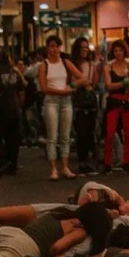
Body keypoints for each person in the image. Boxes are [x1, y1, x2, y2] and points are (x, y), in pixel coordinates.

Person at [38, 35, 86, 180]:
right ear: (47, 48)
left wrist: (71, 86)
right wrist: (61, 91)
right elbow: (43, 87)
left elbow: (83, 78)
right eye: (52, 46)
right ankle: (54, 168)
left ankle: (65, 167)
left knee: (65, 136)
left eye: (57, 46)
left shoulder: (65, 62)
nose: (55, 49)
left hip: (66, 101)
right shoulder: (44, 65)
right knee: (52, 136)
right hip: (51, 101)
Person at [0, 51, 26, 178]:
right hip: (14, 110)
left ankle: (3, 161)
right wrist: (20, 106)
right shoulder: (14, 72)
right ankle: (12, 165)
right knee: (13, 139)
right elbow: (21, 91)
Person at [103, 40, 129, 173]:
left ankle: (126, 161)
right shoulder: (109, 66)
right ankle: (107, 163)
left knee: (128, 133)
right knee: (110, 133)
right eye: (116, 51)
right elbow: (109, 85)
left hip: (127, 101)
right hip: (114, 101)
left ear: (124, 51)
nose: (118, 53)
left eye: (120, 50)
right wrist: (124, 83)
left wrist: (126, 83)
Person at [70, 37, 100, 175]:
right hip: (78, 100)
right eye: (82, 47)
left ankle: (88, 161)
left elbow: (95, 82)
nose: (84, 50)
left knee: (89, 131)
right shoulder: (72, 64)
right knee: (81, 132)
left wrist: (94, 67)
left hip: (90, 100)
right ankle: (82, 162)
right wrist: (83, 83)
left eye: (86, 47)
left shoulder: (90, 64)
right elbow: (72, 82)